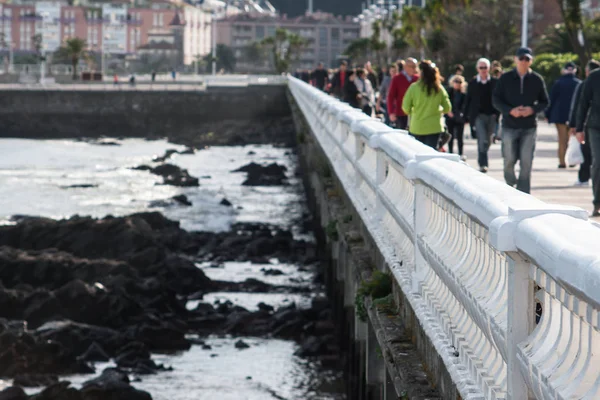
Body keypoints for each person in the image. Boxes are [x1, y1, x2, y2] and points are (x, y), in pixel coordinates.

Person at [493, 47, 549, 194]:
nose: (524, 62)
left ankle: (523, 193)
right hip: (509, 126)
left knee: (526, 161)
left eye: (527, 59)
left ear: (531, 61)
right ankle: (510, 185)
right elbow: (496, 100)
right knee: (509, 159)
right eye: (521, 58)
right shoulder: (505, 79)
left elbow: (545, 101)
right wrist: (510, 110)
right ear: (515, 60)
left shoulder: (537, 79)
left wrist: (532, 109)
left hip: (529, 127)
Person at [402, 60, 451, 149]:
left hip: (417, 127)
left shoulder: (413, 87)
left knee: (417, 154)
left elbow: (405, 108)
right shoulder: (439, 88)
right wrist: (437, 110)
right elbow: (447, 108)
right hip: (434, 127)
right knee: (430, 156)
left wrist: (413, 111)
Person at [464, 58, 499, 172]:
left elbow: (499, 98)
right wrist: (465, 116)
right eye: (481, 67)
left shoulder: (495, 82)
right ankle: (483, 163)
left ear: (489, 68)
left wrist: (497, 114)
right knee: (482, 138)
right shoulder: (473, 83)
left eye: (485, 67)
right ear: (477, 69)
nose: (483, 70)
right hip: (478, 116)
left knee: (488, 140)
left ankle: (483, 155)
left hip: (492, 116)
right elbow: (468, 100)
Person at [569, 60, 600, 187]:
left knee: (588, 155)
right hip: (591, 125)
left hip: (589, 123)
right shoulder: (589, 81)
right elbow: (580, 104)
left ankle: (585, 178)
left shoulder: (586, 82)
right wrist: (577, 126)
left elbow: (576, 105)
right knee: (589, 155)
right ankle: (585, 179)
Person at [576, 61, 600, 216]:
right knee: (598, 162)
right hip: (596, 127)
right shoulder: (594, 77)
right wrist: (579, 128)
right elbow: (583, 103)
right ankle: (597, 203)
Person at [546, 62, 581, 168]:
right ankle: (571, 160)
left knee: (562, 140)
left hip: (559, 115)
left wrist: (547, 114)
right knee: (572, 139)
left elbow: (551, 100)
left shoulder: (558, 83)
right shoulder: (579, 83)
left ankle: (562, 162)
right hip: (574, 116)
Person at [388, 58, 419, 129]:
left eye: (415, 66)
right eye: (412, 66)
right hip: (400, 113)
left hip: (415, 114)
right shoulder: (397, 78)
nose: (414, 69)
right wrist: (391, 112)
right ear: (405, 67)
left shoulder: (418, 79)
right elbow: (391, 96)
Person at [446, 75, 467, 158]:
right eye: (456, 81)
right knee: (450, 135)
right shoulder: (448, 92)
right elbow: (445, 103)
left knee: (460, 137)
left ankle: (460, 153)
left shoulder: (463, 94)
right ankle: (450, 152)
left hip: (459, 118)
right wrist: (448, 112)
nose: (457, 84)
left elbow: (465, 106)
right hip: (450, 116)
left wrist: (464, 117)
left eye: (459, 82)